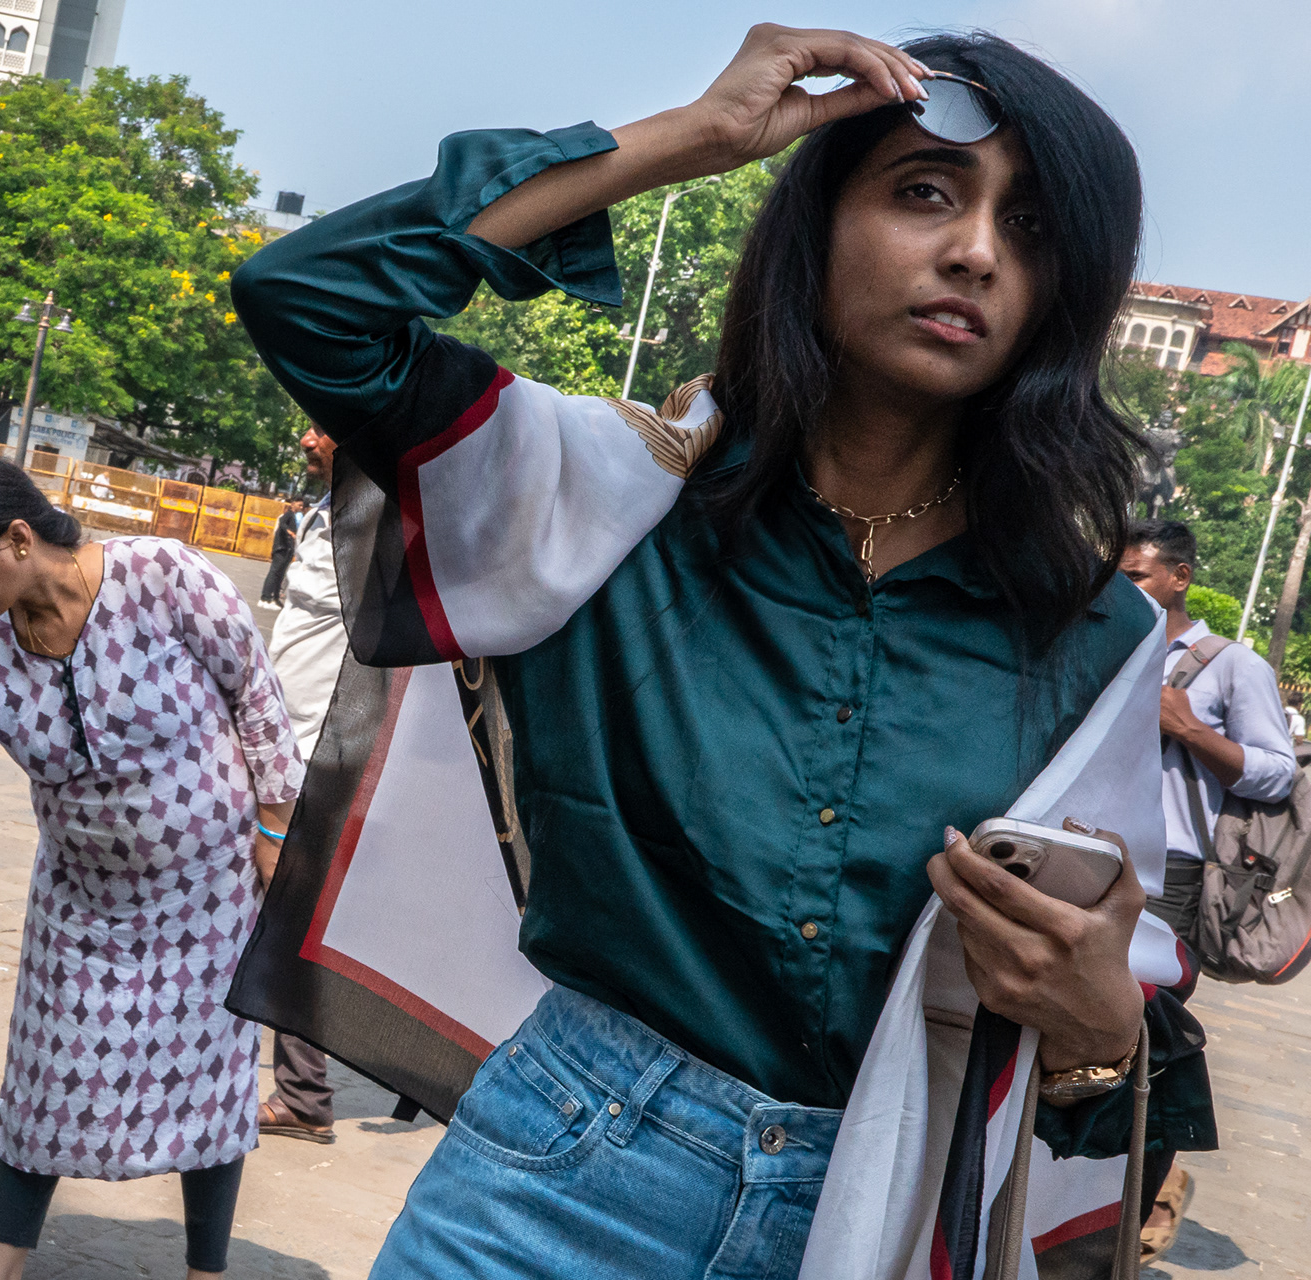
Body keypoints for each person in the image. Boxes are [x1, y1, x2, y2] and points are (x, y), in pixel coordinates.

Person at [232, 24, 1216, 1278]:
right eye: (925, 191)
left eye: (1030, 229)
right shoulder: (604, 501)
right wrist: (696, 137)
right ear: (818, 224)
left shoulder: (1098, 641)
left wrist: (1098, 1030)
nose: (974, 250)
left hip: (878, 1216)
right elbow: (307, 297)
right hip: (552, 1188)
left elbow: (1096, 1033)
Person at [0, 457, 306, 1280]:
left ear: (18, 537)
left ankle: (205, 1272)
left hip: (210, 893)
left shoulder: (163, 578)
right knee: (41, 1089)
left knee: (211, 1090)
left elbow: (257, 696)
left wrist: (274, 836)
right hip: (81, 909)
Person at [1118, 518, 1295, 1264]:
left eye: (1137, 577)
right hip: (1093, 857)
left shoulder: (1231, 667)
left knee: (1132, 1037)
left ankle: (1148, 1186)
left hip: (1173, 877)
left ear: (1179, 578)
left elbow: (1278, 771)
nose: (1123, 588)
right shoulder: (1110, 644)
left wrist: (1191, 731)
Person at [258, 426, 348, 1144]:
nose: (305, 437)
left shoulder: (375, 520)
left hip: (317, 756)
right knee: (269, 913)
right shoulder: (322, 510)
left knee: (288, 916)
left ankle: (305, 1094)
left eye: (322, 426)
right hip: (275, 746)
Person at [257, 500, 301, 604]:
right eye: (300, 505)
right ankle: (266, 597)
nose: (301, 508)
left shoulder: (293, 517)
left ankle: (274, 598)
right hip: (281, 548)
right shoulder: (287, 515)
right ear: (293, 504)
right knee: (275, 572)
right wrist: (290, 532)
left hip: (287, 549)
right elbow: (281, 524)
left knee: (280, 574)